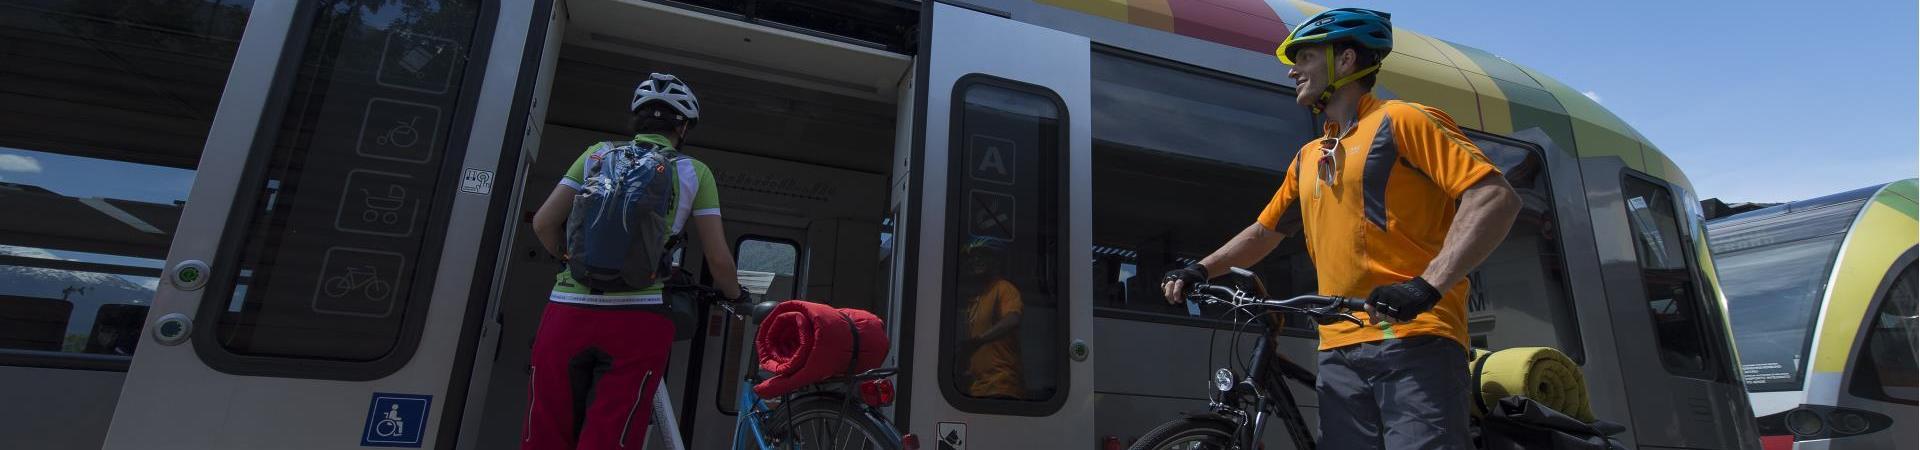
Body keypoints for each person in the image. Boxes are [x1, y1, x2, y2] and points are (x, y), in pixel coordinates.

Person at [1160, 8, 1521, 449]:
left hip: (1415, 337)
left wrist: (1427, 285)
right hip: (1337, 346)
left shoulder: (1403, 120)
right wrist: (1200, 269)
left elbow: (1494, 198)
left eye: (1306, 57)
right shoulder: (1310, 156)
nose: (1293, 70)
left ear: (1346, 61)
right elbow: (1264, 233)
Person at [523, 72, 746, 450]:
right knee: (613, 434)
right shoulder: (695, 171)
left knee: (545, 429)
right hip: (639, 317)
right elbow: (719, 260)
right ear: (684, 128)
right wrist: (737, 297)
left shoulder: (595, 154)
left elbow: (544, 222)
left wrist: (568, 258)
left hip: (567, 311)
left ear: (637, 119)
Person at [957, 237, 1025, 399]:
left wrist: (979, 340)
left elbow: (1013, 319)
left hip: (1001, 385)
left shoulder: (1004, 288)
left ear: (996, 261)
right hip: (979, 386)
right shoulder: (976, 299)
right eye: (973, 257)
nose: (976, 260)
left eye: (983, 255)